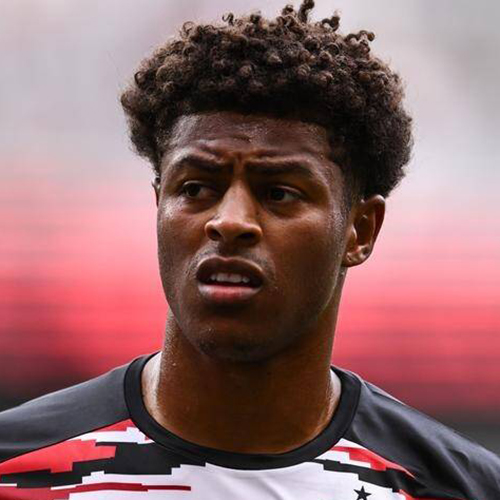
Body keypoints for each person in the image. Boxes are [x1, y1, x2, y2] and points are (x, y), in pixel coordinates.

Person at [0, 1, 498, 498]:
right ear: (158, 204)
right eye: (196, 188)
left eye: (279, 192)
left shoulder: (456, 488)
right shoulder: (15, 467)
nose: (230, 221)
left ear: (360, 230)